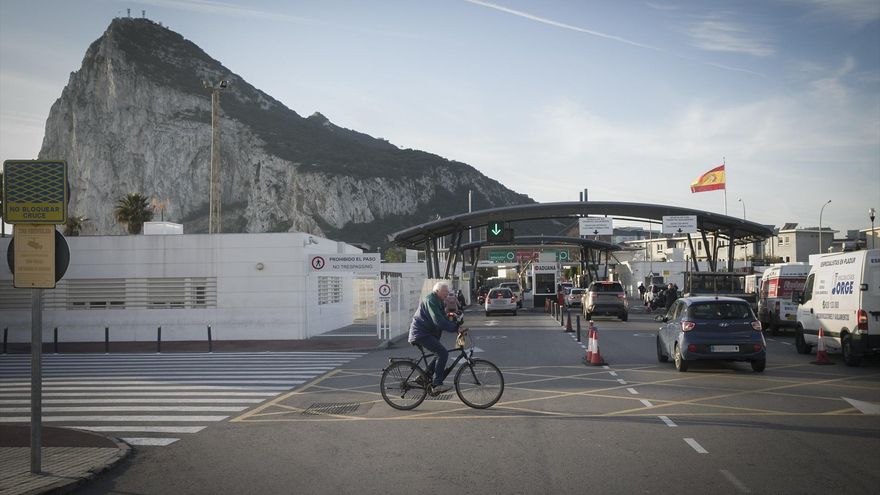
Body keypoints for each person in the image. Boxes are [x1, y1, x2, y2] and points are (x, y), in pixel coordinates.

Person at [408, 282, 466, 395]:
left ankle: (423, 377)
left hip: (426, 333)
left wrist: (455, 321)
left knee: (438, 354)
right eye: (445, 292)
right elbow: (438, 320)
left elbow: (442, 317)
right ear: (437, 291)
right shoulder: (431, 300)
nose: (447, 294)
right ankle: (437, 384)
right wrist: (455, 329)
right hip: (421, 333)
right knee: (443, 353)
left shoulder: (438, 300)